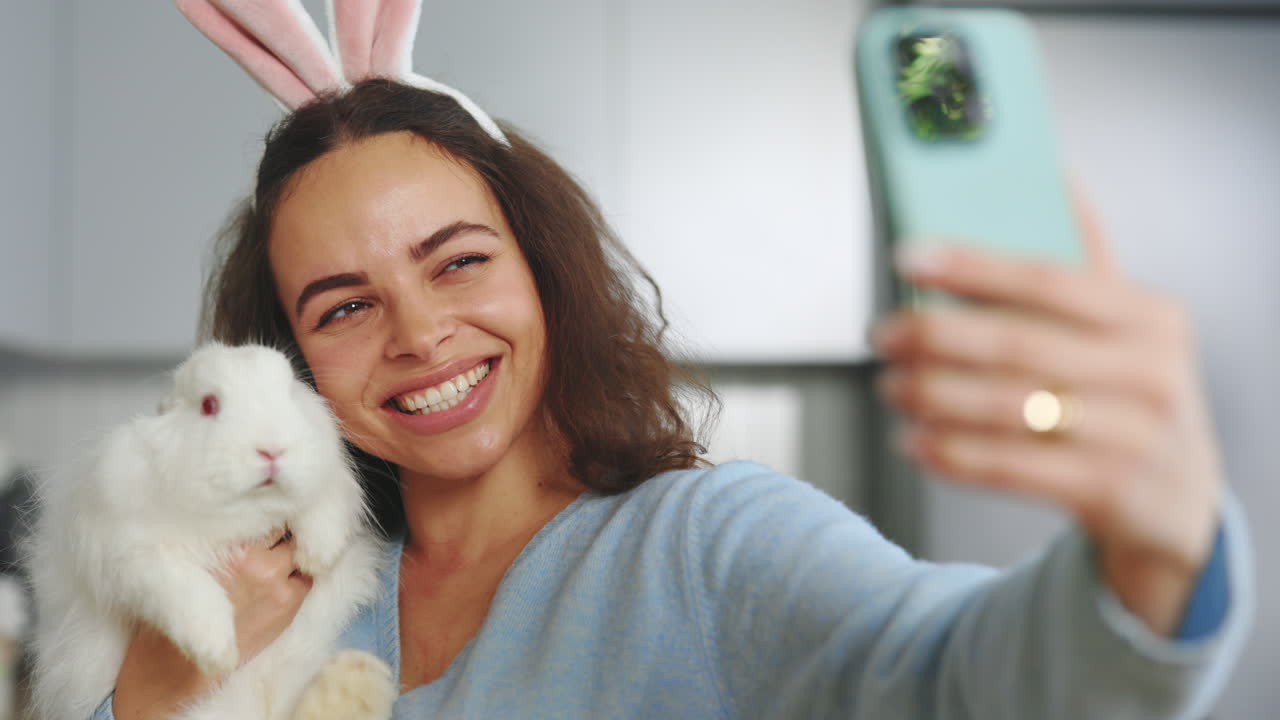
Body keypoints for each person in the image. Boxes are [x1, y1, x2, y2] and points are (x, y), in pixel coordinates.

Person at [94, 76, 1252, 719]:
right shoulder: (270, 597)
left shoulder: (704, 548)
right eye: (342, 306)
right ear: (284, 368)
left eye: (458, 261)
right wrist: (150, 699)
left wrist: (1150, 555)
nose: (419, 333)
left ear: (543, 272)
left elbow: (961, 680)